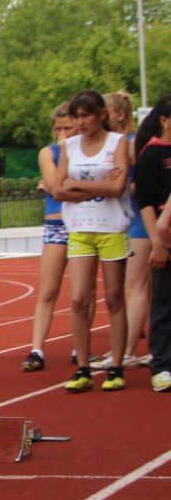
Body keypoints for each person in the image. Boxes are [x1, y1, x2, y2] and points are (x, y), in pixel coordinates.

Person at [54, 89, 130, 392]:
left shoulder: (117, 143)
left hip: (111, 227)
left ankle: (116, 366)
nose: (81, 122)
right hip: (80, 228)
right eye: (77, 117)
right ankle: (83, 367)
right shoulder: (69, 145)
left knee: (113, 298)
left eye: (86, 115)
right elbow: (58, 189)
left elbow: (119, 186)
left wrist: (79, 184)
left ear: (101, 114)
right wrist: (99, 187)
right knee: (77, 299)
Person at [22, 102, 96, 371]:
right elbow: (54, 186)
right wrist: (72, 185)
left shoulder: (88, 152)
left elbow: (61, 185)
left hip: (84, 223)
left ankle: (80, 348)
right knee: (48, 290)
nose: (63, 133)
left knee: (86, 291)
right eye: (58, 129)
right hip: (56, 225)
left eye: (68, 127)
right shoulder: (49, 152)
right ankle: (36, 349)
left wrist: (62, 186)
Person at [104, 91, 152, 370]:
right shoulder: (111, 143)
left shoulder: (133, 145)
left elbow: (142, 184)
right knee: (132, 288)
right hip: (118, 221)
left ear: (120, 115)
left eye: (105, 113)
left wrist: (118, 185)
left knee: (135, 287)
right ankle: (143, 349)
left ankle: (129, 350)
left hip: (137, 220)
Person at [132, 94, 171, 391]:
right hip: (165, 240)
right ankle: (161, 366)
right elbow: (145, 201)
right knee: (164, 304)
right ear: (164, 120)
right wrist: (157, 242)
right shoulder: (151, 155)